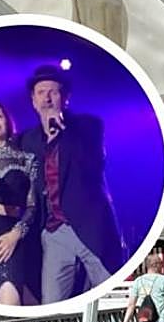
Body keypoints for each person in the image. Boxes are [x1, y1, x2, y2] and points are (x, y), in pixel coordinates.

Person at [19, 65, 122, 304]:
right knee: (52, 302)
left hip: (89, 226)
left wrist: (63, 132)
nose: (47, 98)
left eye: (53, 92)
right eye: (41, 92)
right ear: (33, 101)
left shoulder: (88, 127)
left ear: (65, 98)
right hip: (53, 231)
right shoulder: (28, 139)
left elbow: (94, 163)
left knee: (111, 293)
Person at [0, 100, 37, 305]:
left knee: (10, 295)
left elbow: (33, 206)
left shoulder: (26, 159)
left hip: (9, 238)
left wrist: (16, 234)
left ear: (7, 121)